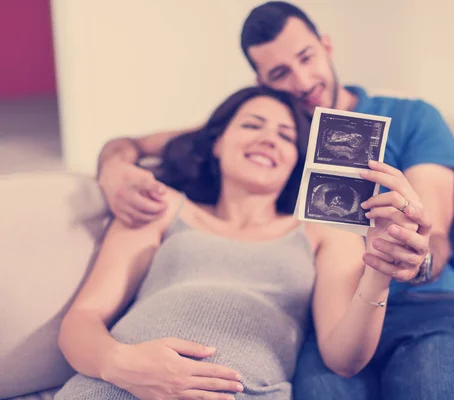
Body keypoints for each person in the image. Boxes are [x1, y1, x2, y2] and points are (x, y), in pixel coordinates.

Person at [94, 2, 454, 399]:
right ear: (261, 82)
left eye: (306, 57)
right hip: (322, 322)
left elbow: (437, 238)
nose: (303, 82)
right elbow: (133, 144)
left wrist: (415, 261)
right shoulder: (278, 132)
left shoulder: (412, 118)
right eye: (280, 73)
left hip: (426, 307)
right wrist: (113, 170)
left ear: (326, 45)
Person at [55, 86, 425, 399]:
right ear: (217, 143)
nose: (268, 139)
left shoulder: (324, 231)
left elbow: (344, 359)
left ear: (298, 159)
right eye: (252, 125)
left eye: (285, 135)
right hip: (111, 387)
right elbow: (82, 321)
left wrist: (380, 272)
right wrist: (123, 365)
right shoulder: (161, 205)